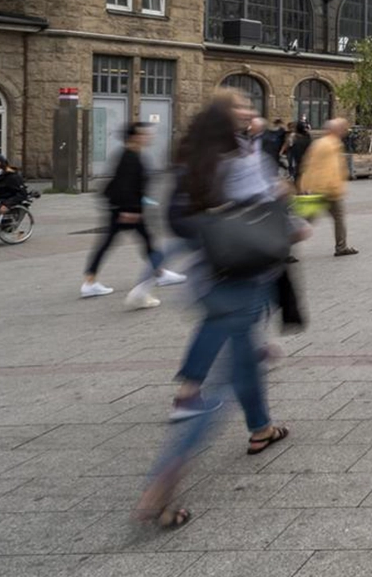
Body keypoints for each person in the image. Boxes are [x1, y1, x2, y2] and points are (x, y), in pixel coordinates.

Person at [133, 90, 299, 531]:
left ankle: (261, 426)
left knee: (246, 362)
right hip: (244, 281)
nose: (249, 111)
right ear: (227, 120)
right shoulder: (242, 157)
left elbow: (177, 222)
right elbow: (272, 208)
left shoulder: (193, 160)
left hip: (208, 280)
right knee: (226, 383)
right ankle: (166, 477)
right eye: (241, 106)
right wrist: (287, 205)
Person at [80, 123, 183, 302]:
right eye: (143, 134)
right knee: (113, 244)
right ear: (134, 137)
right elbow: (124, 186)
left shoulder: (131, 155)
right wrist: (129, 210)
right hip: (127, 210)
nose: (147, 137)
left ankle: (159, 273)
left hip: (127, 209)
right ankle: (89, 282)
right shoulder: (129, 157)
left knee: (145, 241)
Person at [300, 118, 356, 256]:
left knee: (306, 219)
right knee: (338, 218)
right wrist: (337, 187)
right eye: (342, 128)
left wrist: (305, 184)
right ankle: (341, 247)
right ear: (335, 130)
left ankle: (283, 248)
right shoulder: (332, 144)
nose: (344, 131)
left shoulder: (319, 143)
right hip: (328, 189)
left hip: (316, 188)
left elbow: (307, 164)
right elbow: (333, 168)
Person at [285, 121, 311, 185]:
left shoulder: (297, 138)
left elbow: (292, 147)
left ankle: (299, 186)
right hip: (306, 158)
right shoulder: (307, 137)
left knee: (299, 172)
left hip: (299, 158)